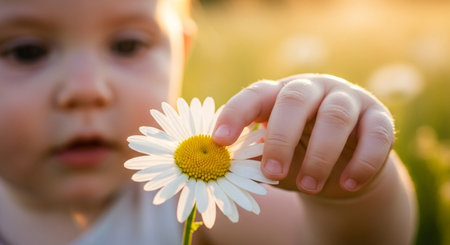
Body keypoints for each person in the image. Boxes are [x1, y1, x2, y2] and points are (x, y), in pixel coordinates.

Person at [0, 0, 416, 244]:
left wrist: (347, 191)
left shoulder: (209, 194)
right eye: (26, 51)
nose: (87, 89)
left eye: (128, 45)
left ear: (182, 49)